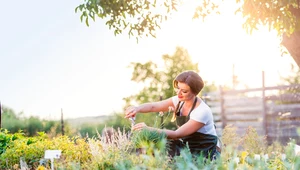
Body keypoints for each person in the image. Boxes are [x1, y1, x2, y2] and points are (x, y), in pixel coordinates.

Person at [125, 70, 220, 159]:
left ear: (195, 93)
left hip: (204, 151)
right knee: (158, 143)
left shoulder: (202, 111)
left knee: (164, 143)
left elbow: (176, 134)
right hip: (187, 145)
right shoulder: (179, 101)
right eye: (178, 88)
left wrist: (149, 129)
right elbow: (154, 106)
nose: (179, 93)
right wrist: (137, 108)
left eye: (184, 91)